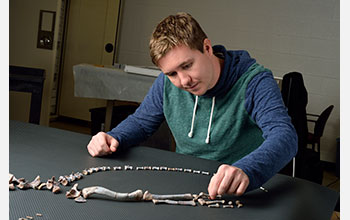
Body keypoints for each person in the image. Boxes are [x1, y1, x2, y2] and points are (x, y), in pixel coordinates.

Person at [87, 12, 298, 199]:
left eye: (187, 66)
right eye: (172, 74)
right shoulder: (166, 83)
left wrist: (247, 170)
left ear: (207, 48)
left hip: (238, 193)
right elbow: (142, 122)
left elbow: (285, 136)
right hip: (183, 183)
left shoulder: (255, 81)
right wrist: (113, 137)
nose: (183, 81)